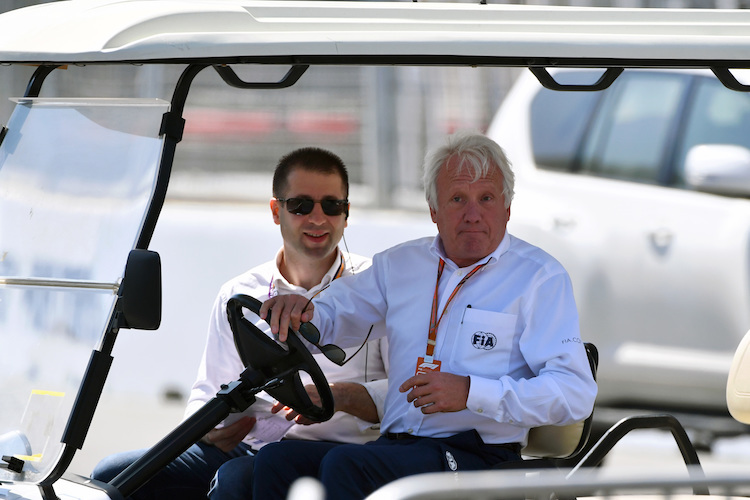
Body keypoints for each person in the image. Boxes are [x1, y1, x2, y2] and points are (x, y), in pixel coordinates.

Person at [252, 131, 598, 500]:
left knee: (346, 465)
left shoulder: (539, 277)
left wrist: (471, 392)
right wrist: (302, 313)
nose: (473, 214)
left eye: (486, 199)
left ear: (507, 208)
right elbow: (335, 314)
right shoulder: (401, 264)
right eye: (457, 199)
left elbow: (574, 394)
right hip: (398, 447)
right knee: (276, 459)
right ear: (434, 211)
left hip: (480, 459)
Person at [91, 147, 389, 500]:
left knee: (237, 478)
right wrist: (211, 431)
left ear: (347, 213)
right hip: (250, 446)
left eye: (332, 206)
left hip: (340, 456)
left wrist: (341, 398)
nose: (318, 218)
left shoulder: (377, 286)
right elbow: (207, 392)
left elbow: (408, 397)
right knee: (113, 475)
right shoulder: (239, 292)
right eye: (301, 206)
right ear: (276, 212)